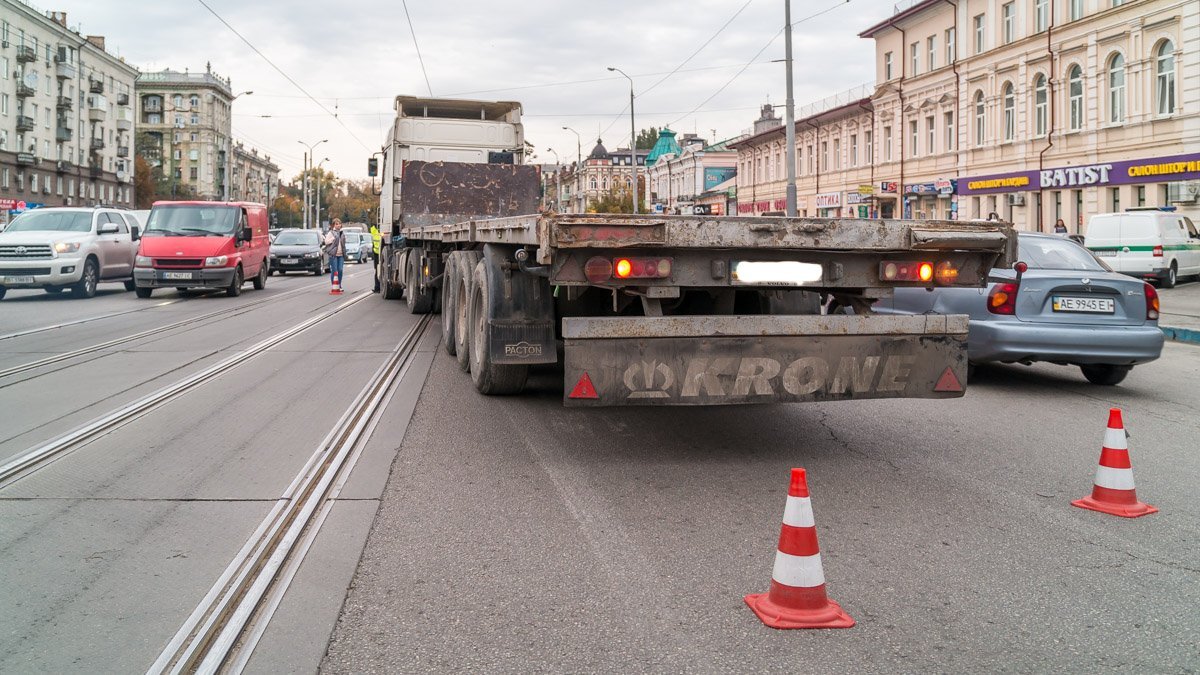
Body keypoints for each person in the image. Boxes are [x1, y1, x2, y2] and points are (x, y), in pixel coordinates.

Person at [323, 218, 346, 291]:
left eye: (339, 224)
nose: (338, 225)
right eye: (336, 224)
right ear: (333, 225)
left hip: (341, 254)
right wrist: (332, 239)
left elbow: (343, 243)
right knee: (335, 270)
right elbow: (326, 242)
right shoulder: (331, 233)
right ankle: (334, 285)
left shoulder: (342, 233)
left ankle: (339, 285)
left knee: (340, 270)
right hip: (333, 255)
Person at [369, 223, 382, 293]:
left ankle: (377, 287)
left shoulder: (373, 229)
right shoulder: (375, 230)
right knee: (377, 270)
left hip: (377, 253)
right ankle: (377, 287)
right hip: (378, 252)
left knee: (377, 270)